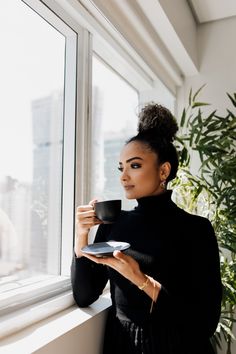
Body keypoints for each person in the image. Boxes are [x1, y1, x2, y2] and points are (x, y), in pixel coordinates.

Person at [71, 103, 222, 354]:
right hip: (121, 344)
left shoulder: (196, 230)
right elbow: (84, 296)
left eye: (135, 165)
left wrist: (141, 280)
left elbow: (205, 323)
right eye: (121, 167)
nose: (123, 176)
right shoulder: (114, 224)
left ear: (164, 170)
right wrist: (81, 236)